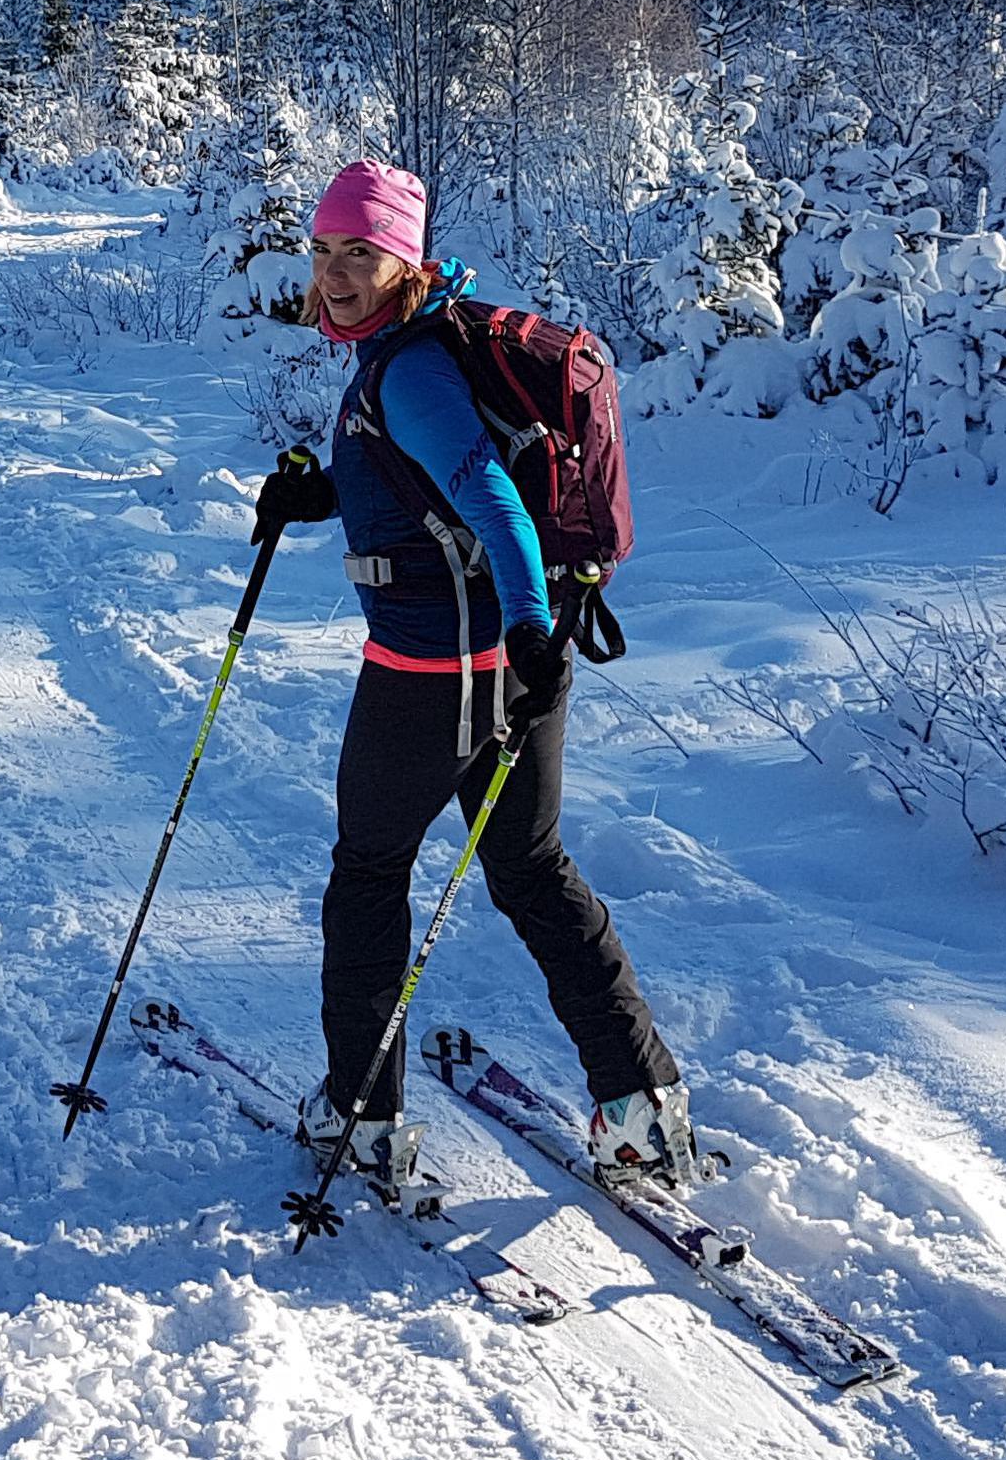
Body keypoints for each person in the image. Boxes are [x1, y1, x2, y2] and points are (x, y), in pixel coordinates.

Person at [254, 158, 698, 1190]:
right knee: (532, 870)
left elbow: (492, 501)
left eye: (360, 253)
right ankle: (641, 1109)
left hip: (430, 672)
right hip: (507, 670)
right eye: (323, 252)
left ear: (403, 258)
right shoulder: (428, 346)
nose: (336, 275)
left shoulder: (408, 366)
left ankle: (361, 1116)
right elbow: (431, 483)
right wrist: (323, 493)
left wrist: (535, 628)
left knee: (368, 874)